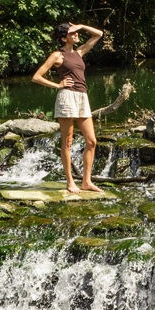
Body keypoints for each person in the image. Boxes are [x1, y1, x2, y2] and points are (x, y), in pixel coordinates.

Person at [31, 22, 107, 193]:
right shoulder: (58, 55)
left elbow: (98, 34)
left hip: (82, 97)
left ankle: (86, 182)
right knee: (67, 142)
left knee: (91, 141)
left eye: (76, 32)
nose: (76, 34)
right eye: (72, 33)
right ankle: (70, 182)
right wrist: (57, 85)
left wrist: (80, 26)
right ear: (64, 37)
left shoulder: (79, 52)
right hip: (67, 97)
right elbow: (36, 77)